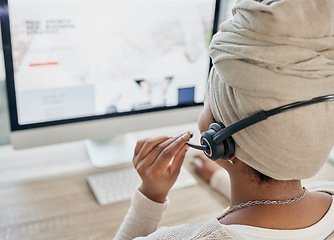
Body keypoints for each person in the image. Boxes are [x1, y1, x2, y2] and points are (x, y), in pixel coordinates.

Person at [114, 0, 334, 239]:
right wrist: (219, 177)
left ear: (219, 139)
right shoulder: (328, 193)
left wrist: (150, 196)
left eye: (208, 99)